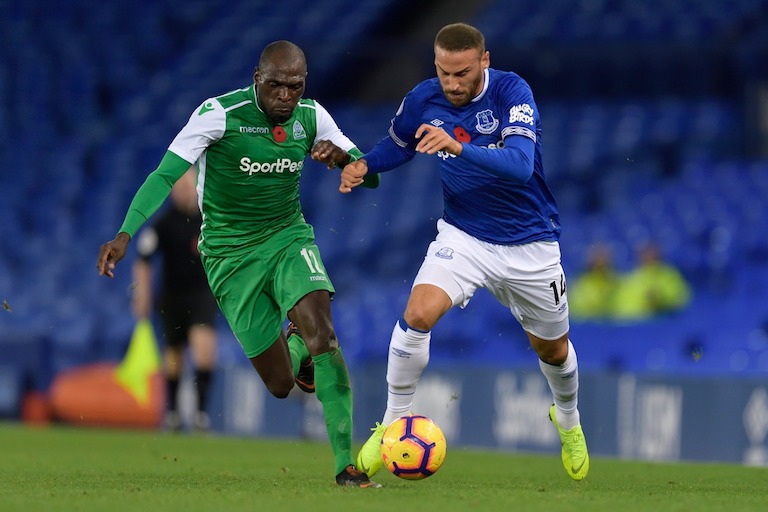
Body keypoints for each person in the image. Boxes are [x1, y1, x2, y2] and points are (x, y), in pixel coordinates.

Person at [97, 40, 381, 488]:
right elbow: (165, 175)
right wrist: (125, 233)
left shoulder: (314, 117)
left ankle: (346, 466)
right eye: (277, 86)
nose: (286, 96)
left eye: (296, 86)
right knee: (281, 384)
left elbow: (372, 174)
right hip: (229, 256)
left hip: (288, 238)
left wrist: (345, 158)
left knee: (324, 336)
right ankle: (295, 346)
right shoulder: (219, 114)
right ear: (256, 79)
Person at [341, 23, 589, 481]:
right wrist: (363, 164)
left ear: (484, 61)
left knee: (552, 349)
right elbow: (399, 146)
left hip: (530, 243)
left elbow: (518, 165)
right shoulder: (423, 98)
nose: (452, 84)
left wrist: (459, 145)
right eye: (444, 73)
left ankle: (568, 420)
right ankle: (394, 423)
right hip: (464, 236)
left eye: (462, 74)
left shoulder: (513, 92)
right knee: (417, 314)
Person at [132, 167, 218, 432]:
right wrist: (142, 293)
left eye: (188, 187)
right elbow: (143, 259)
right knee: (174, 355)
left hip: (202, 296)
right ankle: (172, 412)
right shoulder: (164, 224)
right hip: (171, 299)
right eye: (179, 188)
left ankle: (201, 412)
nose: (184, 192)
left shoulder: (210, 220)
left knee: (204, 350)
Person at [611, 242, 691, 321]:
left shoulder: (669, 275)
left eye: (651, 253)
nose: (648, 256)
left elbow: (681, 298)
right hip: (632, 324)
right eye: (645, 253)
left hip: (661, 322)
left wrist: (660, 299)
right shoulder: (632, 277)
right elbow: (619, 304)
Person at [568, 244, 620, 321]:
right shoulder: (582, 283)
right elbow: (578, 309)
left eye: (603, 258)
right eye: (597, 258)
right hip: (589, 325)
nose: (600, 262)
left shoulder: (616, 282)